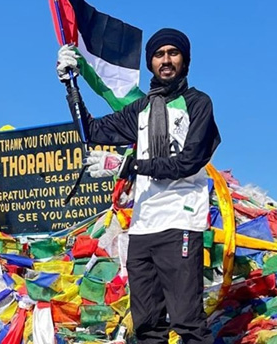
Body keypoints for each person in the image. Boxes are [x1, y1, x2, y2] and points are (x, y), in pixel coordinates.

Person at [56, 28, 220, 344]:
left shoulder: (198, 103)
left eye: (173, 53)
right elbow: (90, 131)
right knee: (147, 326)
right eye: (159, 55)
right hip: (143, 228)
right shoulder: (141, 109)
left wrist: (127, 165)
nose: (166, 60)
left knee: (188, 322)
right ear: (150, 62)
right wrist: (70, 85)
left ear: (185, 60)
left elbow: (188, 162)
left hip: (181, 220)